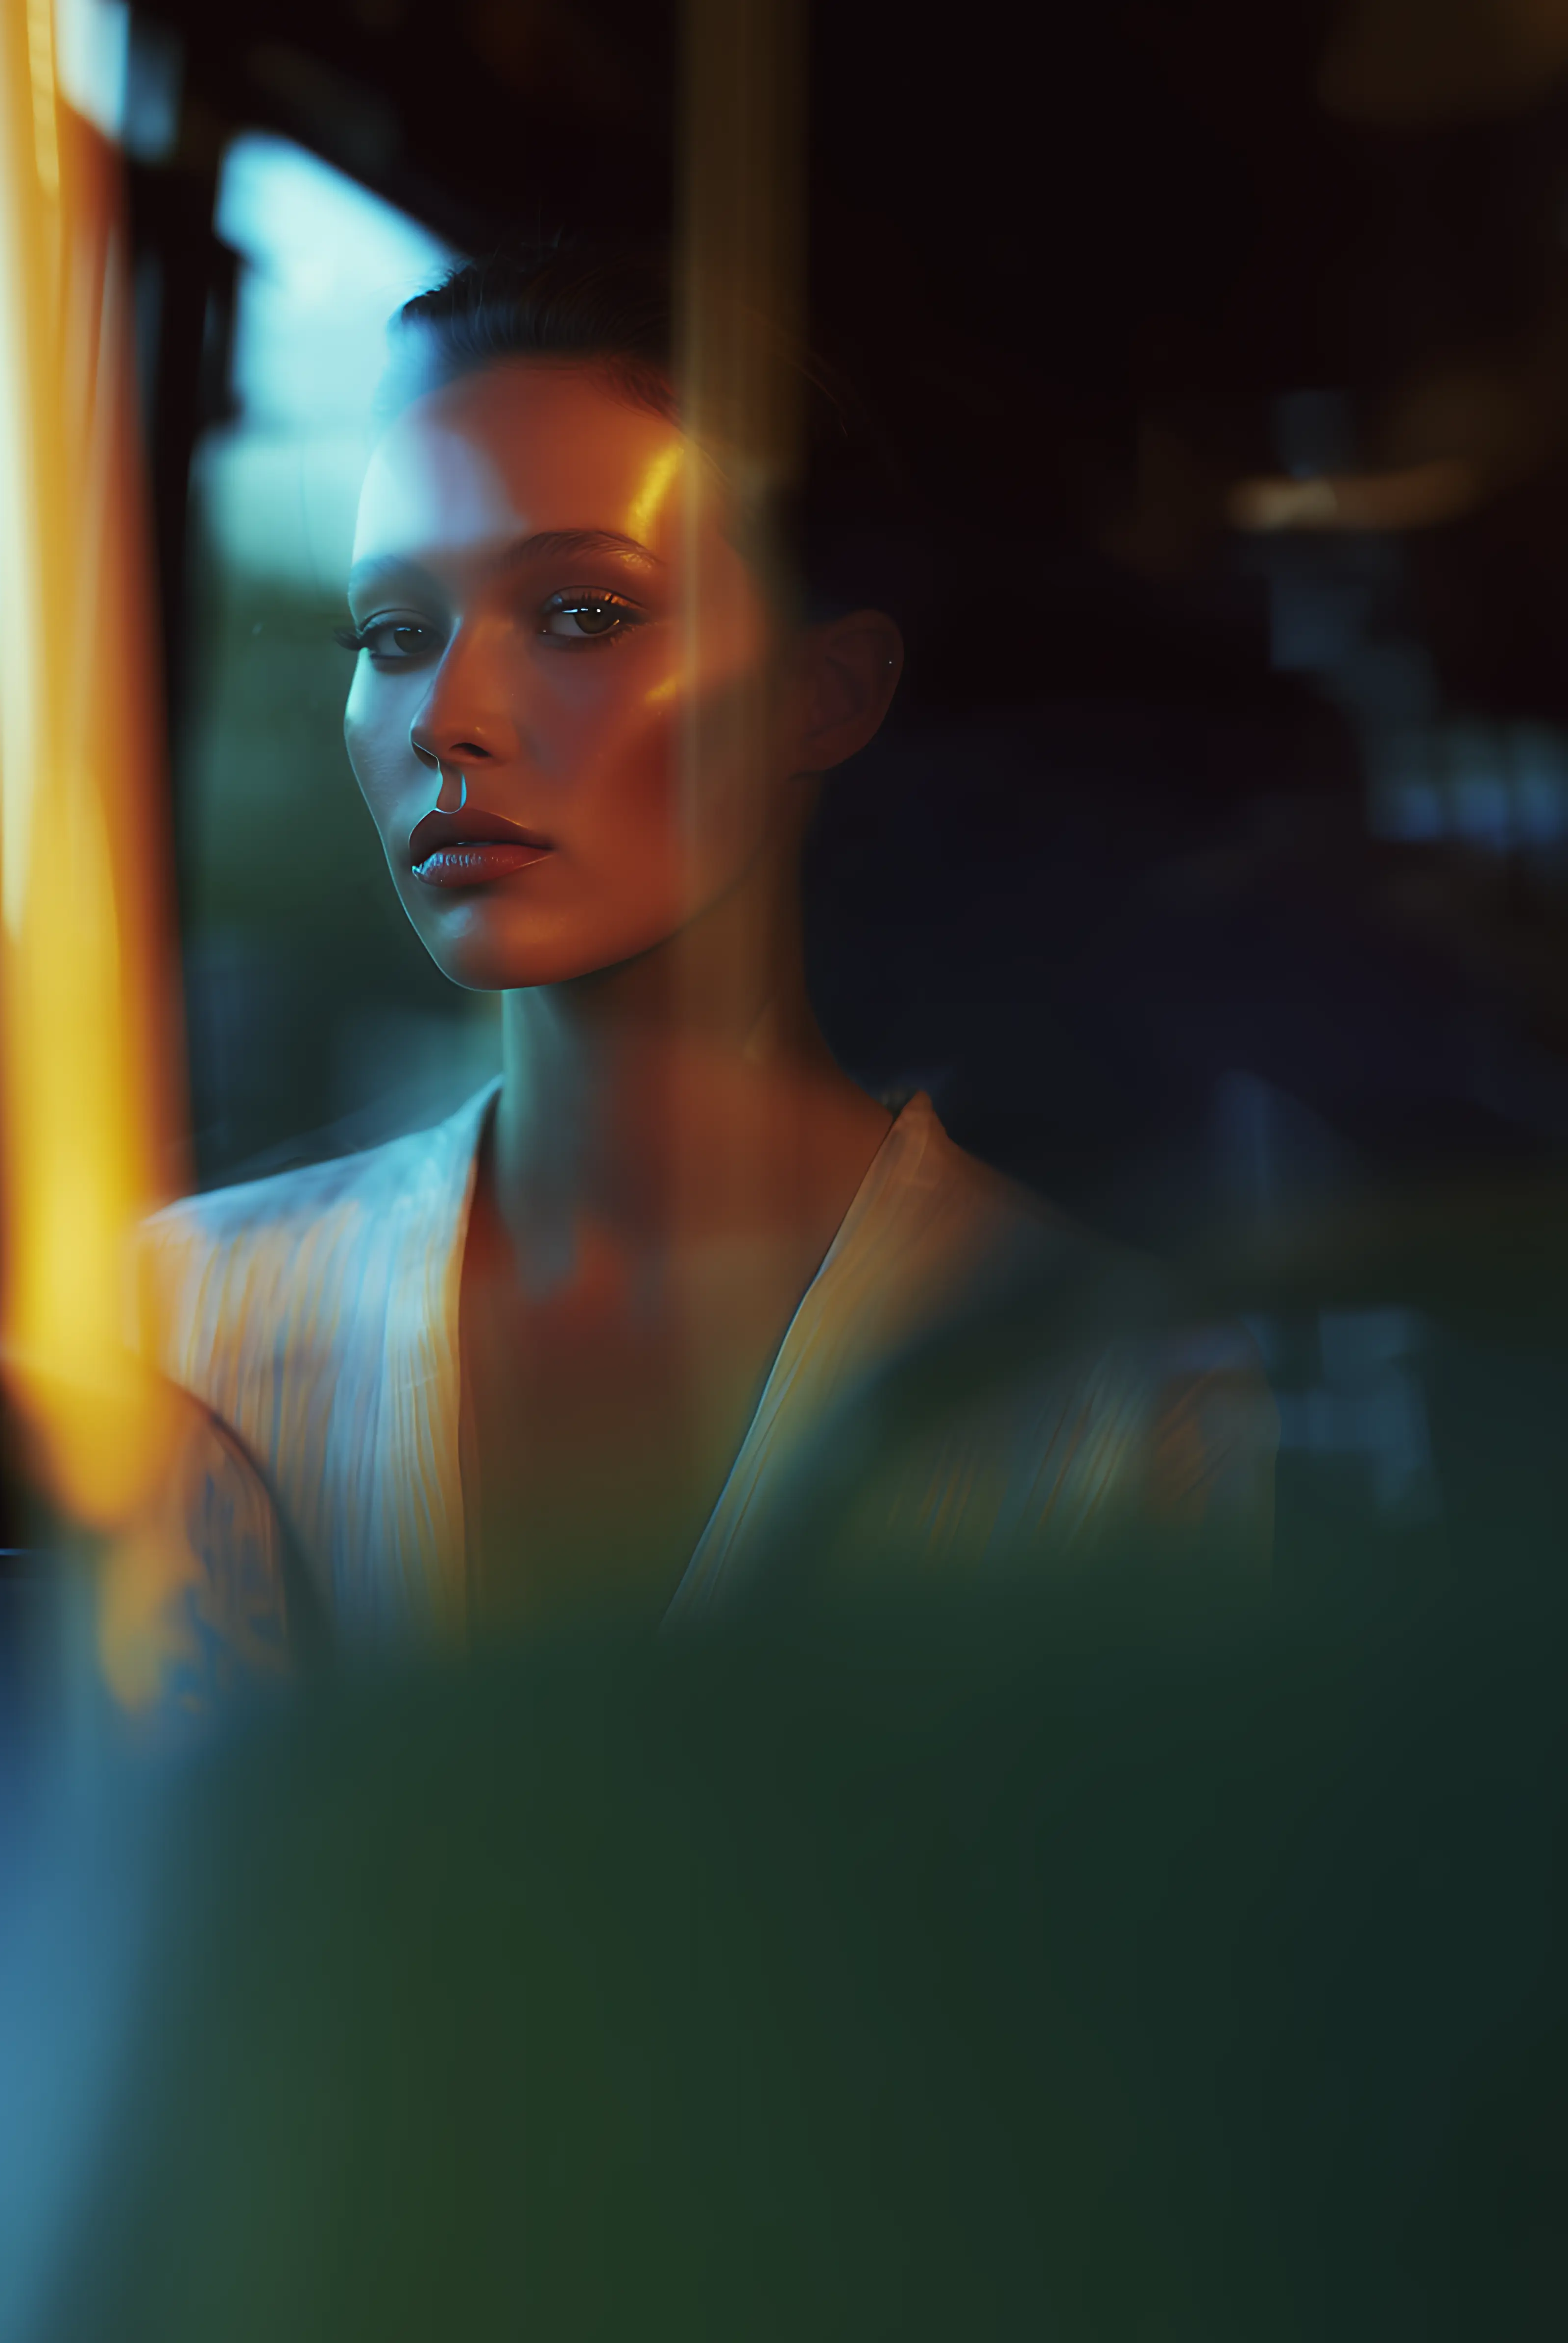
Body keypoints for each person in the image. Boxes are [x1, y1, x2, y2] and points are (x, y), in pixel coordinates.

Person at [144, 246, 1276, 1652]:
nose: (449, 716)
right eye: (393, 632)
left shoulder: (1119, 1393)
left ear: (825, 693)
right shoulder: (178, 1328)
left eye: (583, 613)